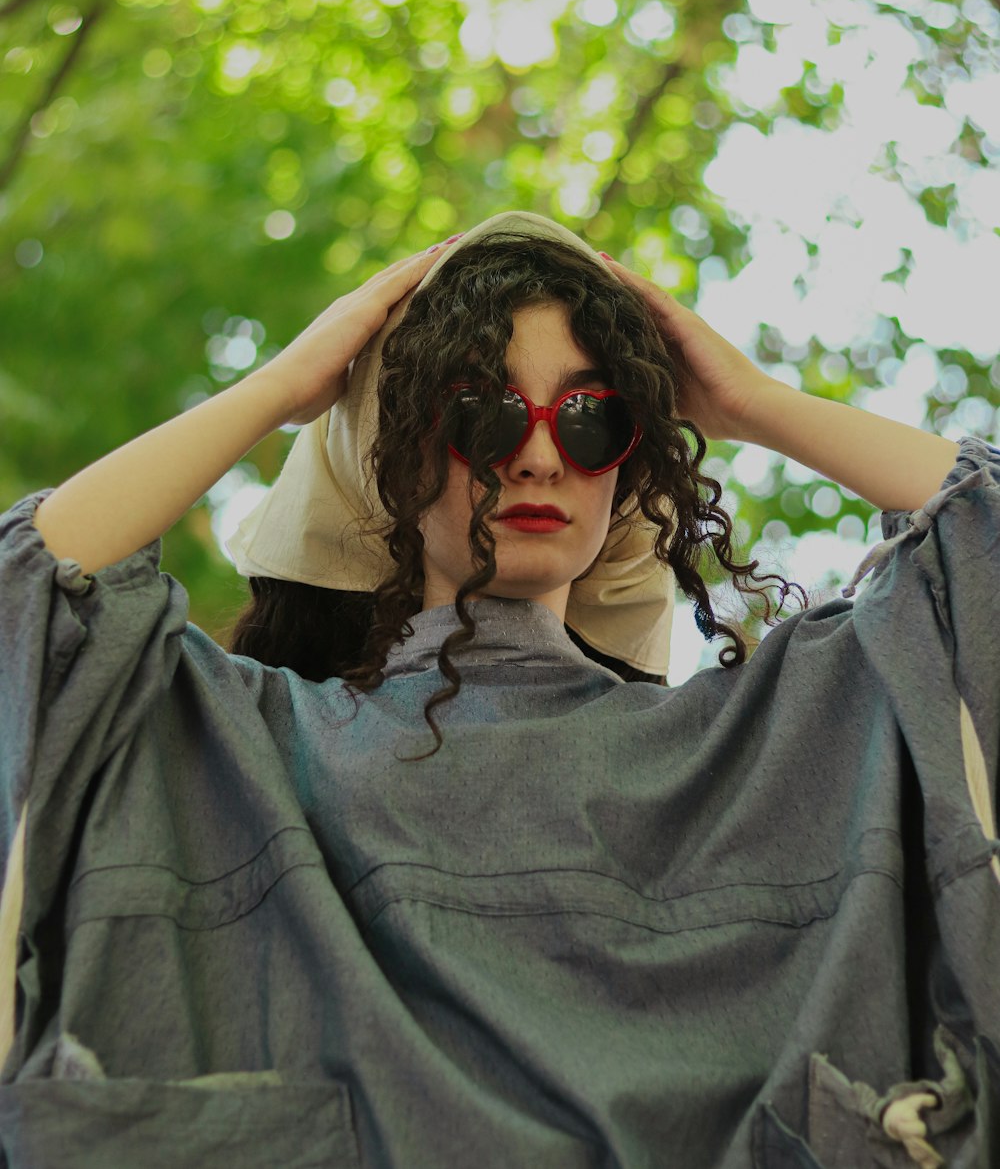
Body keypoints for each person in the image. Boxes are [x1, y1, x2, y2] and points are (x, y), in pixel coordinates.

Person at [0, 211, 996, 1168]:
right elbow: (31, 597)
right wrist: (286, 385)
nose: (535, 454)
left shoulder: (767, 748)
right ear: (386, 450)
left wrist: (751, 403)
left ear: (631, 459)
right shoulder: (239, 750)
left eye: (594, 414)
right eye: (477, 409)